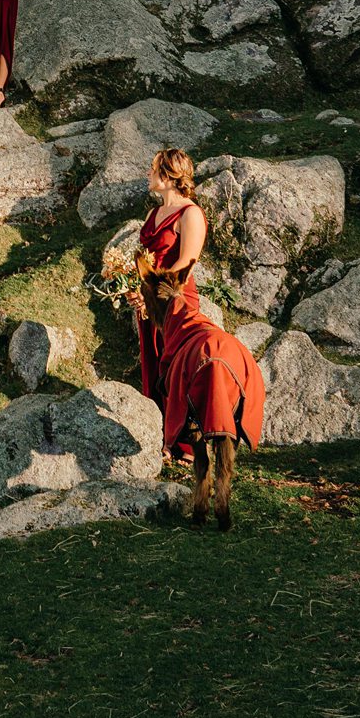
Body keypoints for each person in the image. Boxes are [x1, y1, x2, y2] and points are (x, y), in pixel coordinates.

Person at [130, 148, 264, 527]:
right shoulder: (155, 212)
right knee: (155, 363)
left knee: (177, 364)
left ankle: (189, 445)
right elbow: (148, 255)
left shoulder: (191, 214)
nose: (148, 173)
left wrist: (151, 286)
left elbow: (185, 264)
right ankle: (169, 440)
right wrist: (135, 285)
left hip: (171, 295)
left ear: (170, 175)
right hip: (152, 295)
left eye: (153, 168)